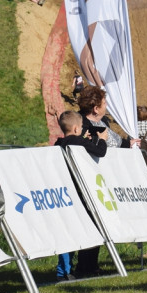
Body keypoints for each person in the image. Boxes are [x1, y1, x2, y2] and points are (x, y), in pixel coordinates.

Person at [75, 85, 126, 276]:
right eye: (104, 103)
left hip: (104, 181)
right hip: (88, 182)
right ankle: (83, 267)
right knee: (91, 223)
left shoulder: (103, 122)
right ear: (96, 107)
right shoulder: (82, 126)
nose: (106, 106)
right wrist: (101, 140)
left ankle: (92, 265)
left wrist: (132, 145)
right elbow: (94, 148)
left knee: (100, 223)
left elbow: (118, 142)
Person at [55, 110, 107, 281]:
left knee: (67, 231)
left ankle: (63, 270)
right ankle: (82, 266)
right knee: (85, 227)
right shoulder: (80, 142)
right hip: (80, 193)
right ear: (77, 129)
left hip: (64, 193)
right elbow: (100, 152)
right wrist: (102, 140)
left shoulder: (58, 144)